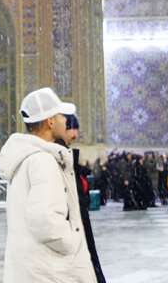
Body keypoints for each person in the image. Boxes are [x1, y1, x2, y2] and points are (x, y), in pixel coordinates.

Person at [0, 87, 97, 282]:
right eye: (61, 115)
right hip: (47, 270)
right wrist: (73, 241)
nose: (66, 120)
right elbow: (45, 221)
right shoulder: (42, 161)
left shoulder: (25, 157)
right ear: (50, 121)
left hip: (29, 267)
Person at [55, 113, 105, 283]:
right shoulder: (57, 159)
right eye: (72, 129)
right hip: (72, 234)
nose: (75, 134)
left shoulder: (67, 158)